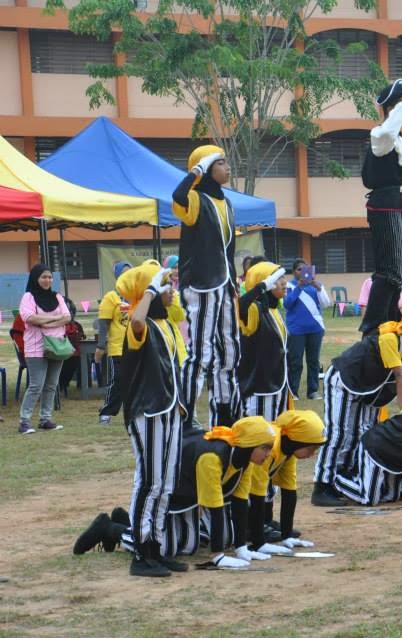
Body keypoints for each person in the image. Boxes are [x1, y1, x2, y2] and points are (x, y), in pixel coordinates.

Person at [72, 416, 278, 574]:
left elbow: (240, 503)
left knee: (190, 546)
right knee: (165, 548)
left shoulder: (245, 460)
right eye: (264, 448)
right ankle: (110, 529)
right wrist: (218, 557)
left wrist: (242, 548)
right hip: (176, 495)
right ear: (249, 445)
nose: (268, 453)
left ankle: (127, 521)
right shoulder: (212, 457)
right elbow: (214, 508)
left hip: (193, 496)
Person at [312, 308, 402, 506]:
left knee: (361, 432)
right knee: (339, 433)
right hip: (344, 381)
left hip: (365, 390)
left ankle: (342, 477)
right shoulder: (390, 338)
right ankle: (322, 484)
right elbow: (400, 376)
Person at [112, 261, 184, 576]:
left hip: (169, 409)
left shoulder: (165, 324)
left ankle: (155, 546)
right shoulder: (138, 324)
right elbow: (137, 318)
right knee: (149, 482)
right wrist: (153, 290)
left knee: (165, 483)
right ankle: (141, 554)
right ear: (150, 293)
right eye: (166, 287)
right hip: (148, 410)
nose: (172, 292)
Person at [172, 144, 241, 428]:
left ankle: (224, 415)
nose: (228, 167)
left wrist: (234, 282)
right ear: (207, 168)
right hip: (201, 284)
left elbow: (228, 247)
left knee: (229, 350)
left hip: (224, 284)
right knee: (201, 353)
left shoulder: (227, 202)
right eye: (221, 162)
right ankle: (186, 416)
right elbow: (177, 196)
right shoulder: (196, 199)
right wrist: (196, 171)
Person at [359, 78, 402, 336]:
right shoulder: (381, 136)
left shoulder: (399, 141)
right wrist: (400, 109)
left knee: (400, 272)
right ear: (393, 108)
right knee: (390, 270)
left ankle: (392, 321)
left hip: (398, 204)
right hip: (385, 206)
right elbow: (385, 133)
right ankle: (373, 327)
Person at [243, 410, 327, 555]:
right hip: (225, 494)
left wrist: (286, 535)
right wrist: (260, 543)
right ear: (298, 440)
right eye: (311, 448)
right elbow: (256, 495)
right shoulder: (270, 448)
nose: (312, 454)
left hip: (244, 493)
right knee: (228, 534)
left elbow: (289, 491)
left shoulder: (289, 450)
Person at [17, 264, 71, 434]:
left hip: (57, 346)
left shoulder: (57, 297)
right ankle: (24, 421)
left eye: (49, 277)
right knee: (36, 385)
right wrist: (55, 319)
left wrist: (45, 322)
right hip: (36, 347)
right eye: (43, 277)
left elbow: (67, 317)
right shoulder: (28, 297)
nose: (47, 280)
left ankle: (45, 419)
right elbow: (30, 318)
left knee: (51, 385)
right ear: (35, 278)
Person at [238, 261, 290, 420]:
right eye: (277, 279)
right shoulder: (255, 308)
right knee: (261, 437)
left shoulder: (273, 310)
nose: (284, 282)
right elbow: (239, 307)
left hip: (278, 383)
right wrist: (259, 288)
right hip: (261, 387)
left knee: (277, 433)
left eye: (283, 277)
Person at [284, 259, 331, 400]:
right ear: (294, 272)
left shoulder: (316, 286)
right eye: (299, 269)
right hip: (296, 330)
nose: (302, 272)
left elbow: (326, 304)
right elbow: (287, 304)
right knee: (295, 362)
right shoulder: (289, 286)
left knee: (313, 361)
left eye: (305, 269)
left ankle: (313, 391)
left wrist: (318, 287)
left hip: (315, 329)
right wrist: (298, 287)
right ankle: (293, 392)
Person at [95, 261, 132, 425]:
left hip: (136, 347)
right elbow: (103, 323)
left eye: (130, 272)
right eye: (123, 272)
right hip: (117, 347)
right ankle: (106, 412)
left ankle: (133, 412)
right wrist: (101, 346)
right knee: (117, 380)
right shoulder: (112, 297)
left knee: (135, 381)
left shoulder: (138, 296)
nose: (127, 275)